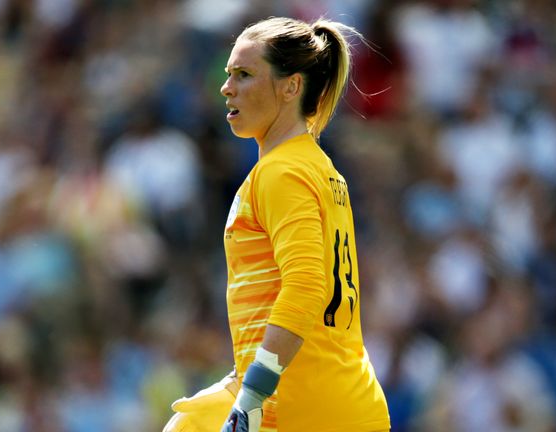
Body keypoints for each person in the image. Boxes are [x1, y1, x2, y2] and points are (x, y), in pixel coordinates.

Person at [163, 16, 390, 432]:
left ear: (291, 86)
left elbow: (305, 287)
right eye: (229, 74)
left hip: (305, 412)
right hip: (336, 403)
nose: (226, 87)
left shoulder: (281, 173)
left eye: (245, 75)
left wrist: (252, 394)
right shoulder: (316, 167)